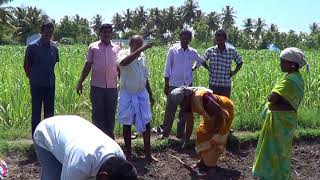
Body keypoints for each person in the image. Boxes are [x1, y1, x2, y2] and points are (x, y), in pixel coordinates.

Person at [252, 47, 307, 179]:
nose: (280, 64)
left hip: (279, 121)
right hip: (287, 120)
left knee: (272, 150)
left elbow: (272, 97)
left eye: (283, 62)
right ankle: (280, 175)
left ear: (293, 65)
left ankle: (272, 175)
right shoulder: (297, 78)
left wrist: (271, 101)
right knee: (282, 151)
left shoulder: (289, 80)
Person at [33, 115, 138, 180]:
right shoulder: (78, 165)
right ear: (103, 177)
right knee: (53, 176)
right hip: (46, 134)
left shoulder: (120, 158)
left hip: (75, 129)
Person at [168, 86, 234, 170]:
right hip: (210, 115)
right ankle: (202, 161)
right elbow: (189, 124)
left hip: (224, 111)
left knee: (216, 139)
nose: (181, 105)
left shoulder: (203, 98)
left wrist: (216, 130)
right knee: (201, 133)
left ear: (186, 97)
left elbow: (219, 112)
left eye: (182, 103)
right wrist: (187, 140)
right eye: (180, 104)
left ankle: (212, 167)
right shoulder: (186, 104)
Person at [76, 23, 120, 139]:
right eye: (104, 32)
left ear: (111, 34)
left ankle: (110, 138)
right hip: (97, 87)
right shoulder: (93, 47)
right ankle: (97, 139)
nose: (106, 34)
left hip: (112, 87)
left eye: (108, 32)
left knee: (110, 113)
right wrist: (80, 82)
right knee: (97, 114)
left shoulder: (117, 48)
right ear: (100, 33)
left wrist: (122, 82)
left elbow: (120, 67)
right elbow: (88, 65)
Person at [117, 35, 157, 161]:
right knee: (127, 122)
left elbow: (145, 77)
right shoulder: (123, 53)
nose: (140, 47)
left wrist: (150, 94)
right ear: (130, 44)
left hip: (141, 93)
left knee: (146, 122)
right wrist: (141, 49)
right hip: (127, 93)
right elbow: (123, 63)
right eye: (137, 44)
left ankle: (148, 153)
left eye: (141, 44)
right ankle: (128, 154)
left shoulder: (142, 57)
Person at [162, 29, 207, 139]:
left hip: (187, 86)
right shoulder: (173, 50)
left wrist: (193, 68)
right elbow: (167, 67)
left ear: (190, 40)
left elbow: (200, 60)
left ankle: (180, 135)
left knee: (184, 112)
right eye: (183, 38)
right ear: (180, 38)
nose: (185, 40)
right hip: (174, 85)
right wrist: (166, 84)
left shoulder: (192, 52)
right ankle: (165, 134)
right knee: (170, 111)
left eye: (187, 38)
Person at [23, 21, 59, 136]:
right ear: (41, 32)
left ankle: (48, 138)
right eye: (46, 31)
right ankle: (36, 137)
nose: (48, 34)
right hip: (37, 85)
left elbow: (53, 65)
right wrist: (33, 78)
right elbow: (26, 66)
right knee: (36, 112)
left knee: (49, 113)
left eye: (50, 32)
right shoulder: (32, 47)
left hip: (50, 85)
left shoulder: (54, 48)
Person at [202, 29, 243, 98]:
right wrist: (208, 68)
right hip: (213, 85)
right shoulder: (210, 51)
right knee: (212, 106)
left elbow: (240, 62)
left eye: (221, 40)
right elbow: (202, 60)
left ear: (225, 39)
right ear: (215, 39)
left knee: (225, 107)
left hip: (226, 86)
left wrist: (234, 72)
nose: (219, 42)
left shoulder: (231, 51)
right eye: (217, 40)